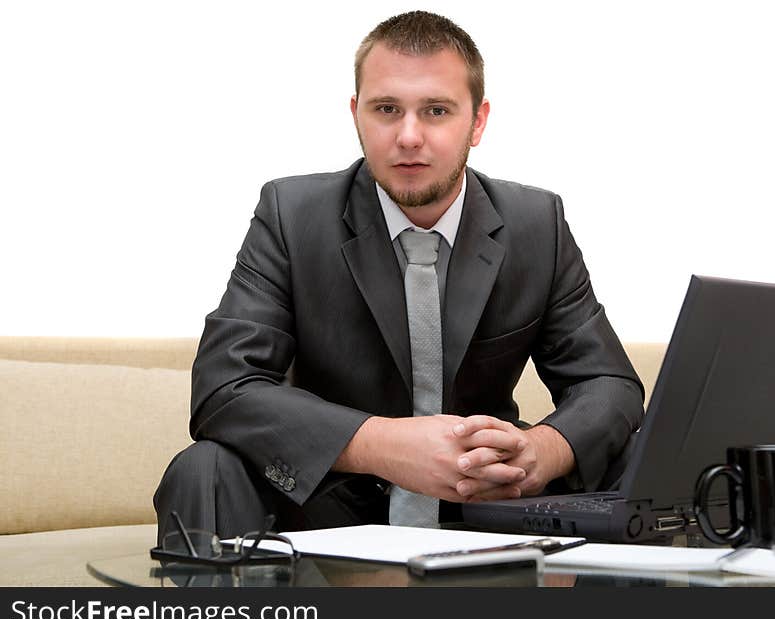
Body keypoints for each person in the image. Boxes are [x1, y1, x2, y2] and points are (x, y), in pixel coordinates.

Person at [153, 10, 644, 542]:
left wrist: (541, 452)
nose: (409, 136)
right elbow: (225, 388)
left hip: (488, 508)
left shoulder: (536, 224)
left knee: (647, 457)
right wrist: (386, 447)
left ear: (477, 122)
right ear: (356, 114)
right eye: (387, 109)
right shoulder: (291, 215)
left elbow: (608, 384)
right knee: (204, 467)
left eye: (436, 110)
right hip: (333, 505)